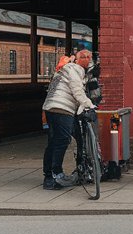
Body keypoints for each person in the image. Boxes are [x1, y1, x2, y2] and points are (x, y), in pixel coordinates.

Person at [41, 48, 97, 190]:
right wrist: (89, 106)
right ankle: (55, 174)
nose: (89, 59)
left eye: (90, 57)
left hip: (52, 107)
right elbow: (77, 91)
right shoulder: (74, 69)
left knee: (54, 141)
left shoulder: (67, 68)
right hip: (61, 108)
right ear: (78, 59)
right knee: (62, 140)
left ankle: (49, 175)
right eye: (86, 57)